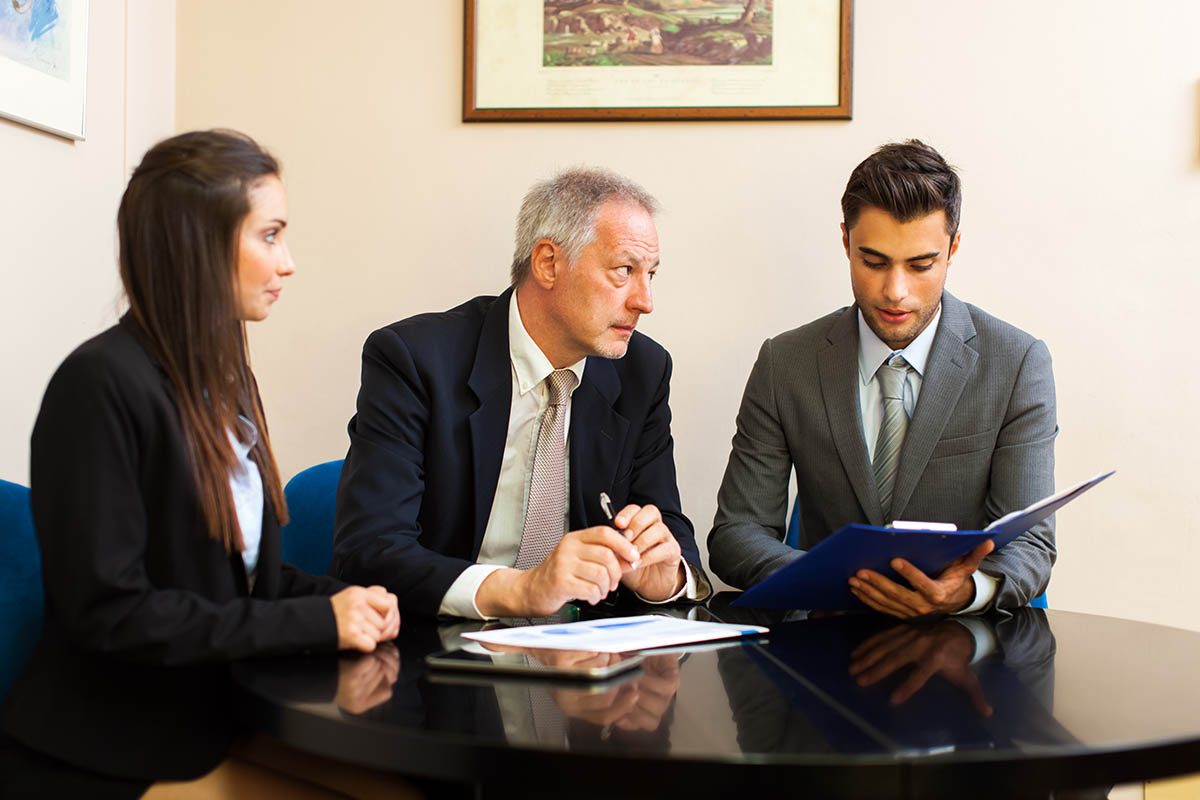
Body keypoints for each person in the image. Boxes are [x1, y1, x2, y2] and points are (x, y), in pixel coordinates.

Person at [0, 130, 402, 798]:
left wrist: (340, 601)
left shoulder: (226, 380)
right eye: (269, 236)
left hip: (210, 725)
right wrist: (316, 622)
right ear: (199, 244)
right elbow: (112, 613)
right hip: (104, 757)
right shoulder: (97, 385)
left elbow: (237, 579)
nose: (289, 262)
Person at [333, 167, 711, 619]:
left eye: (651, 275)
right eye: (624, 271)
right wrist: (520, 589)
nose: (644, 301)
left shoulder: (642, 371)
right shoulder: (415, 360)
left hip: (584, 649)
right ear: (548, 263)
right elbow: (370, 551)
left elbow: (668, 527)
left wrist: (665, 581)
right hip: (441, 642)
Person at [708, 140, 1057, 616]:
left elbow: (1031, 544)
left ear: (953, 249)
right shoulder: (784, 363)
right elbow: (736, 534)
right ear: (845, 242)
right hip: (827, 636)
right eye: (873, 262)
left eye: (921, 265)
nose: (895, 292)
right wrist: (831, 583)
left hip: (967, 641)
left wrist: (966, 591)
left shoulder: (1017, 363)